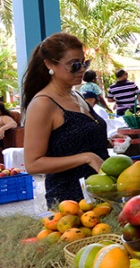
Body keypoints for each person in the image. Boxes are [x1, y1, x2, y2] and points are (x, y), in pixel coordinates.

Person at [22, 32, 109, 203]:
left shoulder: (77, 96)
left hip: (102, 194)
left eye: (85, 63)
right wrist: (87, 157)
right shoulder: (43, 104)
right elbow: (33, 164)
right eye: (74, 65)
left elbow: (72, 141)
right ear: (49, 64)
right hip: (70, 203)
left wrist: (107, 140)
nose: (83, 69)